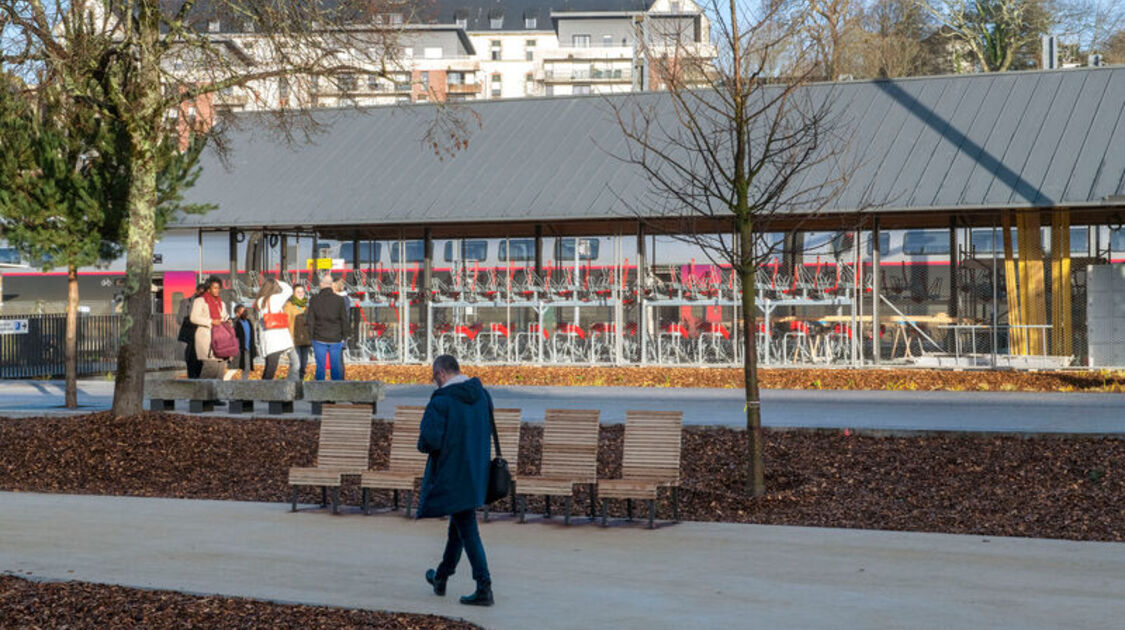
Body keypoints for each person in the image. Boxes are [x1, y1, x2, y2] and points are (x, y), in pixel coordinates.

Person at [418, 355, 494, 607]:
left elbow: (429, 441)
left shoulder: (441, 401)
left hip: (453, 475)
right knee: (458, 528)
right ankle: (441, 577)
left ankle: (484, 586)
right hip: (477, 471)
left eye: (433, 377)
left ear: (440, 373)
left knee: (467, 529)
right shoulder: (482, 395)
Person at [305, 274, 349, 381]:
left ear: (322, 284)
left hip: (319, 337)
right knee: (335, 367)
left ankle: (319, 392)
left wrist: (310, 336)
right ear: (331, 285)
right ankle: (336, 391)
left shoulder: (314, 299)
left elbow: (310, 320)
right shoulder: (339, 300)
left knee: (320, 366)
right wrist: (344, 335)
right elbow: (344, 319)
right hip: (335, 338)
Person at [256, 277, 300, 381]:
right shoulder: (275, 298)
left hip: (268, 341)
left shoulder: (260, 301)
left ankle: (262, 393)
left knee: (269, 368)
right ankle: (289, 386)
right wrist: (278, 281)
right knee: (293, 363)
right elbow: (289, 290)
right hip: (279, 340)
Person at [190, 276, 230, 378]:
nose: (217, 290)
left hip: (220, 339)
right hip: (206, 338)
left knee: (220, 370)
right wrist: (211, 321)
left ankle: (216, 393)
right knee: (209, 369)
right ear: (208, 288)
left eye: (218, 288)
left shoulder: (221, 303)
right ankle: (201, 393)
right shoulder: (200, 301)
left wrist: (228, 321)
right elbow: (193, 318)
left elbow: (224, 317)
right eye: (215, 288)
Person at [283, 284, 312, 380]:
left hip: (305, 340)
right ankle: (291, 386)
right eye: (298, 292)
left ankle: (300, 385)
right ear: (293, 294)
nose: (301, 294)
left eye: (302, 292)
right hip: (293, 340)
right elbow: (286, 322)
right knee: (296, 365)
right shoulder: (288, 306)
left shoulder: (307, 306)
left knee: (303, 366)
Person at [178, 283, 206, 379]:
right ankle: (192, 378)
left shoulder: (208, 303)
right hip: (191, 334)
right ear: (197, 291)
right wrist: (191, 320)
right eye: (201, 292)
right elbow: (179, 319)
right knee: (191, 357)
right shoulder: (186, 303)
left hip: (203, 335)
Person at [232, 304, 256, 380]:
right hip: (238, 349)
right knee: (233, 369)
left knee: (247, 369)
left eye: (245, 310)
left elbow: (251, 336)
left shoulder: (248, 321)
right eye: (242, 311)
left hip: (247, 349)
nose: (245, 312)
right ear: (237, 313)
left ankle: (244, 383)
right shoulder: (235, 323)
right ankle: (224, 382)